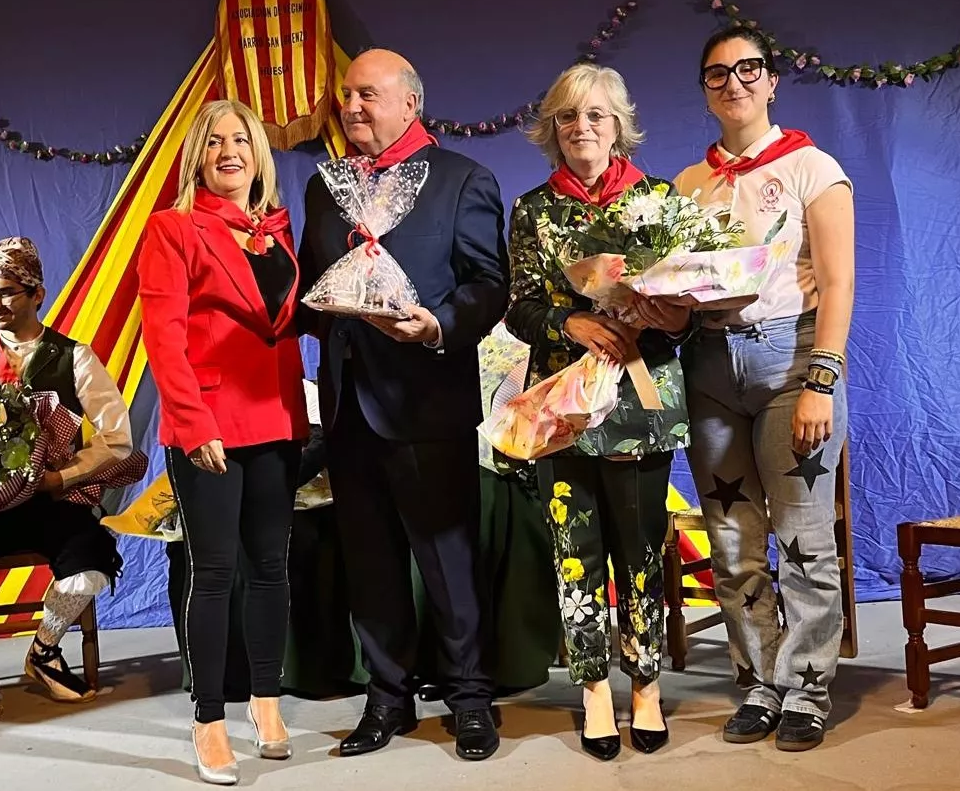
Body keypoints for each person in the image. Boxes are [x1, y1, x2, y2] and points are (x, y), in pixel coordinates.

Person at [298, 48, 507, 761]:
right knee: (370, 560)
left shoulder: (462, 180)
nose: (352, 107)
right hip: (348, 405)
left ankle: (470, 699)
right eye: (345, 96)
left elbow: (488, 284)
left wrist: (439, 323)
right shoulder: (326, 189)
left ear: (410, 102)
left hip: (427, 399)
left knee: (448, 558)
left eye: (367, 94)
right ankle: (387, 699)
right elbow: (311, 283)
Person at [672, 27, 856, 752]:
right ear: (705, 89)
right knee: (732, 537)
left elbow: (838, 283)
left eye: (748, 69)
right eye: (718, 73)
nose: (734, 83)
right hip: (710, 367)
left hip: (790, 363)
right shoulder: (689, 185)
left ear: (772, 81)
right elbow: (682, 291)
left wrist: (820, 381)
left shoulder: (815, 168)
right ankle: (759, 681)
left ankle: (807, 687)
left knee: (805, 536)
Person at [505, 63, 691, 760]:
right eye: (568, 118)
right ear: (552, 130)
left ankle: (645, 681)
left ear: (619, 125)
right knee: (574, 551)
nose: (582, 128)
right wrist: (569, 324)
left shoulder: (660, 199)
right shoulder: (533, 209)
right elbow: (520, 307)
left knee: (640, 549)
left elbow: (688, 317)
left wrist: (663, 312)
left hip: (642, 401)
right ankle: (592, 687)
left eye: (596, 116)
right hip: (564, 408)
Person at [137, 98, 308, 785]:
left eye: (241, 139)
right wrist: (193, 419)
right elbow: (164, 335)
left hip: (276, 418)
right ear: (197, 158)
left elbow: (288, 323)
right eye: (214, 143)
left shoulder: (276, 233)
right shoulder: (172, 229)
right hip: (207, 423)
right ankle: (209, 719)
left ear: (259, 155)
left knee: (271, 566)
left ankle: (267, 703)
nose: (229, 151)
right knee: (214, 573)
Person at [0, 236, 132, 740]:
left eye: (8, 292)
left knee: (90, 570)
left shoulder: (74, 358)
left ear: (37, 293)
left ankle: (45, 650)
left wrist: (64, 476)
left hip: (51, 497)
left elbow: (117, 441)